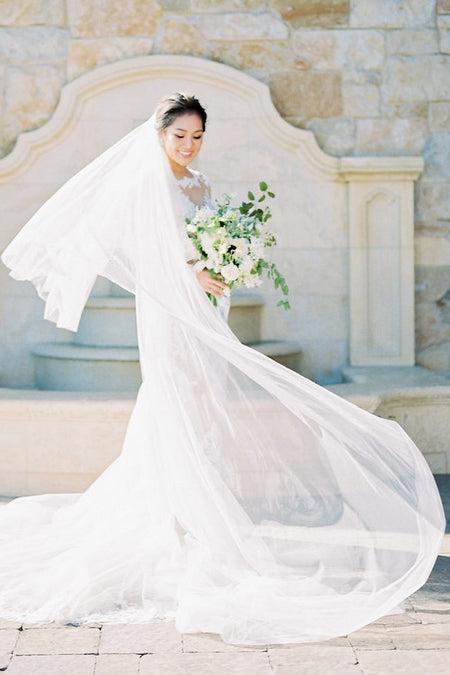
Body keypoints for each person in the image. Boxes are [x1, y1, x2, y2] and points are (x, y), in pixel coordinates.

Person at [0, 93, 445, 646]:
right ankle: (180, 523)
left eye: (197, 136)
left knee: (198, 412)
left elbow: (210, 249)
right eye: (180, 134)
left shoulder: (202, 187)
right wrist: (191, 277)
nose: (188, 145)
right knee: (177, 406)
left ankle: (186, 520)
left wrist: (227, 264)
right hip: (168, 317)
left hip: (203, 316)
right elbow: (140, 264)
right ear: (159, 134)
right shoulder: (144, 186)